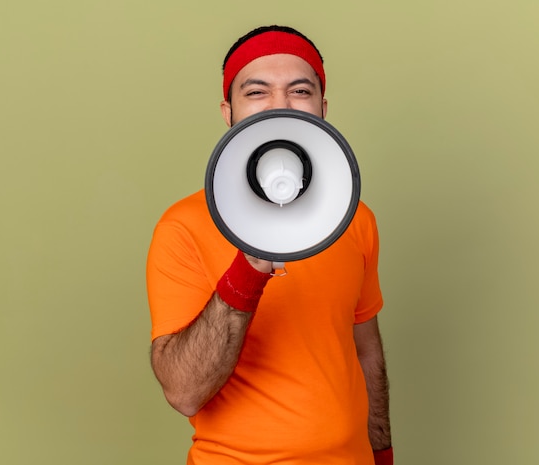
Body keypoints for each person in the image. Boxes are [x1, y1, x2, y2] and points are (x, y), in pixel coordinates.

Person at [146, 25, 393, 465]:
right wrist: (253, 257)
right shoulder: (182, 226)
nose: (280, 107)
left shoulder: (356, 220)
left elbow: (366, 351)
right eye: (257, 92)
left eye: (300, 90)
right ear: (229, 112)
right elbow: (183, 392)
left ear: (322, 107)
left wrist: (383, 454)